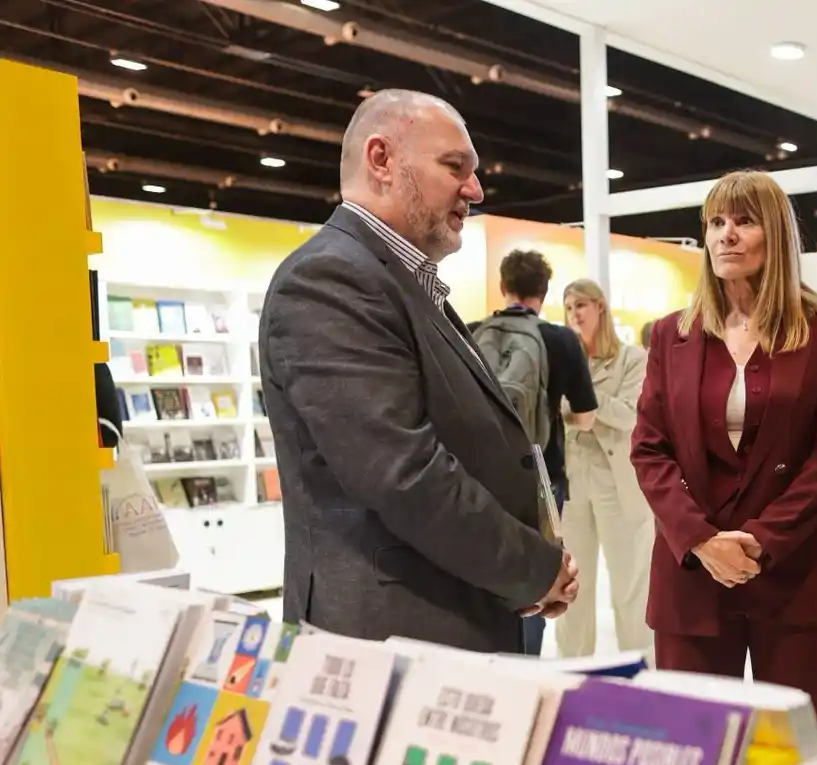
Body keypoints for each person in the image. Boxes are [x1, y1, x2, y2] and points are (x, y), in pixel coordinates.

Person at [259, 89, 577, 652]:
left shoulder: (402, 282)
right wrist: (532, 568)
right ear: (381, 160)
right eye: (455, 167)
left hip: (444, 619)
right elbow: (404, 473)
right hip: (392, 638)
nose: (474, 190)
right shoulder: (332, 278)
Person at [631, 170, 817, 744]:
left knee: (794, 755)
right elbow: (649, 449)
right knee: (693, 750)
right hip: (691, 578)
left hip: (791, 574)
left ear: (776, 236)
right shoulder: (669, 335)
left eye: (744, 221)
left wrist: (761, 539)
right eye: (715, 223)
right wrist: (701, 541)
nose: (726, 235)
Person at [473, 249, 599, 655]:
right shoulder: (560, 339)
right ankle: (524, 665)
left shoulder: (472, 332)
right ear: (544, 293)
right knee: (537, 576)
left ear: (503, 286)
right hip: (543, 477)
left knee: (484, 567)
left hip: (480, 475)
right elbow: (586, 419)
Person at [555, 278, 653, 657]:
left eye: (581, 305)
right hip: (574, 482)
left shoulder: (632, 359)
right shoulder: (563, 357)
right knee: (573, 585)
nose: (574, 314)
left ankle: (640, 673)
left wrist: (586, 405)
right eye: (568, 308)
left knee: (631, 587)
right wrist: (587, 409)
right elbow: (556, 415)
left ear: (600, 308)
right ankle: (572, 673)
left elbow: (631, 416)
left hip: (619, 484)